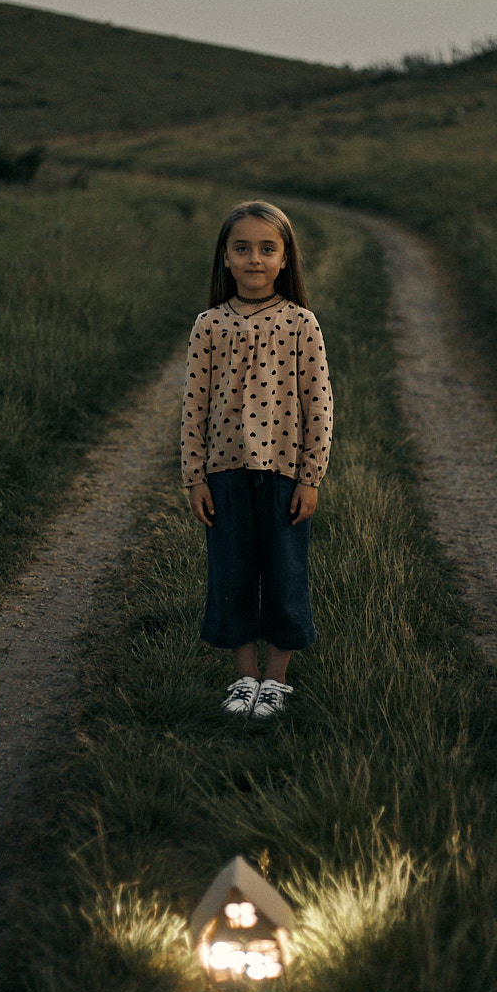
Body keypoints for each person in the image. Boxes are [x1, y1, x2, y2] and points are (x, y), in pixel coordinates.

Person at [181, 200, 333, 719]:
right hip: (224, 473)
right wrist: (194, 477)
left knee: (286, 574)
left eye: (267, 249)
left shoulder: (300, 323)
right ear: (224, 258)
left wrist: (310, 477)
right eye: (241, 248)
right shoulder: (208, 325)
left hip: (286, 473)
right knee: (232, 575)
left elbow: (320, 404)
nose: (254, 259)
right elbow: (193, 406)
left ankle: (276, 681)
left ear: (286, 258)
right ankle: (244, 679)